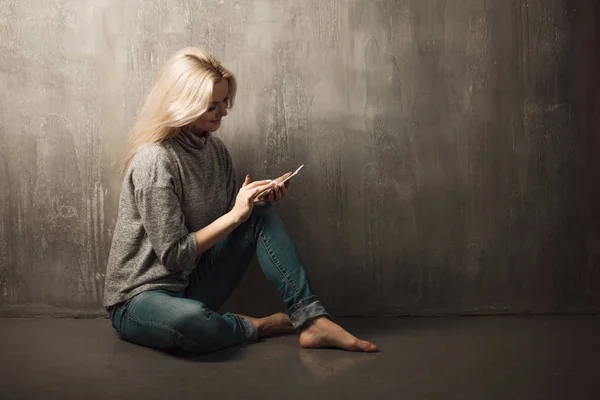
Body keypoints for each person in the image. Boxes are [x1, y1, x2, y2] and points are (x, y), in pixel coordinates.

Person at [103, 47, 378, 354]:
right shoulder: (155, 161)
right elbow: (175, 256)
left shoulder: (217, 153)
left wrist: (250, 205)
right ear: (184, 103)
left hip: (192, 284)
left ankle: (311, 319)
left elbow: (219, 233)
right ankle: (254, 326)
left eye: (225, 102)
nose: (223, 112)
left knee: (259, 213)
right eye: (212, 105)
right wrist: (235, 214)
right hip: (141, 299)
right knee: (194, 321)